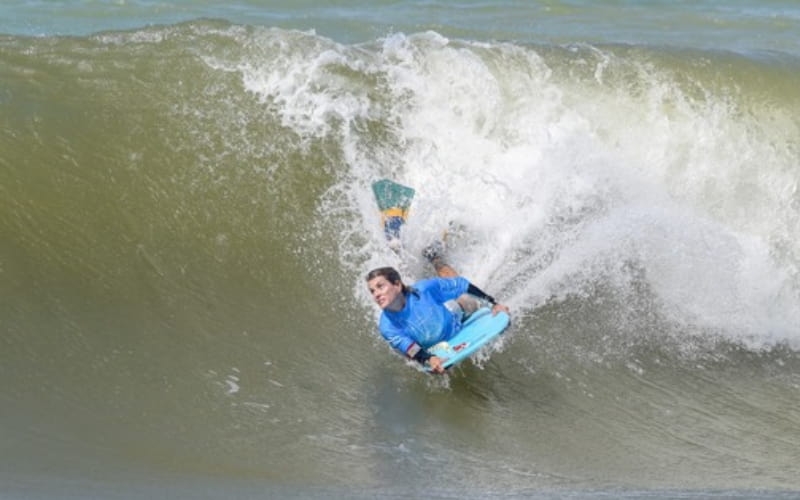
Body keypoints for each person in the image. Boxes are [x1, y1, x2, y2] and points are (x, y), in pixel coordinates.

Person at [366, 244, 510, 374]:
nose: (376, 294)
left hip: (451, 316)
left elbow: (462, 285)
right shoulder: (387, 326)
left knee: (468, 301)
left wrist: (493, 303)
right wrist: (428, 359)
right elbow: (410, 348)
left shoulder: (424, 290)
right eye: (372, 291)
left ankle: (434, 257)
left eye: (380, 286)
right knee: (407, 357)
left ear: (397, 285)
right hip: (426, 346)